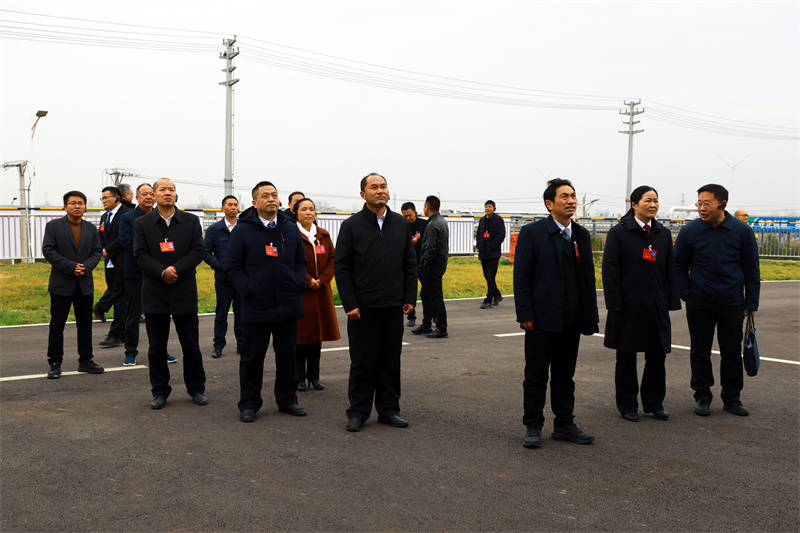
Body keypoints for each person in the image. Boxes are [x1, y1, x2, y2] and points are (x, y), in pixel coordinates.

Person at [513, 178, 599, 449]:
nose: (571, 201)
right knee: (536, 375)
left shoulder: (581, 235)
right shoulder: (533, 233)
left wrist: (589, 315)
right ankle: (533, 425)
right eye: (564, 196)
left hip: (571, 319)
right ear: (549, 204)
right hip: (541, 319)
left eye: (573, 196)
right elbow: (521, 277)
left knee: (565, 375)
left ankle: (564, 425)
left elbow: (588, 278)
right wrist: (525, 313)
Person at [335, 173, 418, 432]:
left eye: (383, 186)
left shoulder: (400, 224)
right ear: (363, 194)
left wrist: (409, 297)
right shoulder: (351, 226)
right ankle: (358, 412)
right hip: (363, 308)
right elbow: (342, 267)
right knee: (362, 362)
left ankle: (389, 410)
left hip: (393, 306)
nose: (380, 191)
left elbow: (410, 263)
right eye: (374, 187)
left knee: (390, 361)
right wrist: (350, 304)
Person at [224, 181, 308, 423]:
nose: (271, 199)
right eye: (265, 195)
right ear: (254, 202)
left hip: (287, 302)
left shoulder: (290, 228)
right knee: (252, 358)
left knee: (288, 356)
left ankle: (288, 399)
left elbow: (300, 261)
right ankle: (249, 403)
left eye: (274, 195)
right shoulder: (243, 230)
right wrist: (247, 289)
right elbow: (232, 266)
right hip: (256, 304)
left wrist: (298, 282)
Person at [674, 184, 760, 417]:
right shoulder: (690, 231)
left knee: (731, 350)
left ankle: (732, 397)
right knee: (699, 350)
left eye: (707, 203)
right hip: (699, 301)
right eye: (699, 203)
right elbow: (679, 264)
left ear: (722, 204)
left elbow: (752, 269)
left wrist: (751, 302)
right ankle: (702, 396)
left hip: (732, 301)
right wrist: (687, 293)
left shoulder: (741, 231)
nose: (701, 208)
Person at [602, 186, 681, 422]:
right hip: (627, 305)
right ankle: (627, 404)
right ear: (634, 204)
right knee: (626, 356)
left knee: (657, 356)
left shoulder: (662, 233)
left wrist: (672, 299)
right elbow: (610, 270)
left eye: (656, 200)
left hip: (656, 305)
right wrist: (615, 301)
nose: (653, 205)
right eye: (648, 200)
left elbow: (670, 269)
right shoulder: (619, 232)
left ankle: (654, 402)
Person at [133, 178, 208, 410]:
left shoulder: (190, 221)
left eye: (172, 189)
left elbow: (198, 251)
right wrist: (161, 271)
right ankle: (159, 391)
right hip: (155, 291)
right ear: (154, 195)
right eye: (162, 189)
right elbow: (140, 254)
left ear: (176, 195)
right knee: (157, 347)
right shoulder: (142, 223)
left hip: (183, 289)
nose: (168, 193)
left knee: (191, 345)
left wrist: (176, 269)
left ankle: (196, 388)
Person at [42, 191, 105, 379]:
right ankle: (55, 362)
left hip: (84, 284)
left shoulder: (90, 228)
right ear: (65, 206)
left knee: (85, 325)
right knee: (57, 325)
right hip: (62, 283)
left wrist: (85, 267)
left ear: (85, 207)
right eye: (73, 203)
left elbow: (97, 252)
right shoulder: (54, 226)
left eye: (81, 203)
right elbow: (48, 250)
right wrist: (70, 267)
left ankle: (85, 360)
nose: (77, 206)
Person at [118, 184, 177, 366]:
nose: (149, 197)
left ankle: (161, 350)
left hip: (157, 274)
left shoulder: (160, 217)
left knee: (160, 314)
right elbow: (128, 242)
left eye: (151, 194)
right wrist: (153, 256)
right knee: (133, 315)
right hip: (135, 273)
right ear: (137, 198)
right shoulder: (128, 218)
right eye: (145, 194)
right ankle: (130, 352)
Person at [293, 197, 340, 392]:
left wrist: (323, 279)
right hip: (301, 291)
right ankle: (299, 378)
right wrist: (307, 279)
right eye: (304, 209)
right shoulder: (291, 234)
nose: (308, 212)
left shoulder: (323, 235)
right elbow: (289, 261)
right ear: (296, 213)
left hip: (320, 291)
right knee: (300, 336)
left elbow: (333, 259)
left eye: (311, 209)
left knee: (316, 336)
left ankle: (314, 376)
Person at [204, 195, 244, 359]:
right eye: (230, 205)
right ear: (222, 209)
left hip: (241, 279)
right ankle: (218, 345)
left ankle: (242, 344)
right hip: (223, 279)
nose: (233, 208)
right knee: (221, 314)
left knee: (242, 313)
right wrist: (222, 266)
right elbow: (206, 253)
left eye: (235, 205)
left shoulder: (244, 228)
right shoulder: (214, 229)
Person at [93, 186, 132, 347]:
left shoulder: (127, 215)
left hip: (123, 261)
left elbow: (124, 238)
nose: (103, 201)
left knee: (120, 298)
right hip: (109, 262)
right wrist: (102, 249)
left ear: (117, 198)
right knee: (116, 296)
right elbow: (101, 236)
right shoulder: (104, 217)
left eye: (106, 198)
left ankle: (115, 334)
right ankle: (124, 332)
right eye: (102, 198)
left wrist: (107, 250)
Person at [411, 195, 449, 339]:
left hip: (432, 267)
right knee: (426, 295)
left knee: (435, 297)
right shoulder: (441, 221)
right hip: (439, 264)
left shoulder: (433, 224)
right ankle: (426, 324)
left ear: (427, 207)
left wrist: (425, 266)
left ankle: (442, 328)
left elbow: (430, 248)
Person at [401, 201, 428, 328]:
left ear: (415, 213)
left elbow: (429, 241)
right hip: (407, 264)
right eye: (405, 216)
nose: (408, 218)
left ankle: (431, 316)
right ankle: (411, 316)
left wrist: (418, 241)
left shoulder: (424, 224)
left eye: (410, 215)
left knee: (427, 291)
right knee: (409, 291)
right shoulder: (401, 226)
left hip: (421, 262)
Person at [476, 199, 506, 309]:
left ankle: (488, 300)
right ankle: (497, 295)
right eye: (486, 207)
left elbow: (501, 235)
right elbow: (479, 234)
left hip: (493, 253)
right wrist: (479, 246)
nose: (487, 209)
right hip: (483, 253)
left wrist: (492, 246)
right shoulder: (482, 220)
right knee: (487, 276)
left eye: (489, 207)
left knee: (490, 276)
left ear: (494, 208)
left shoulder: (498, 220)